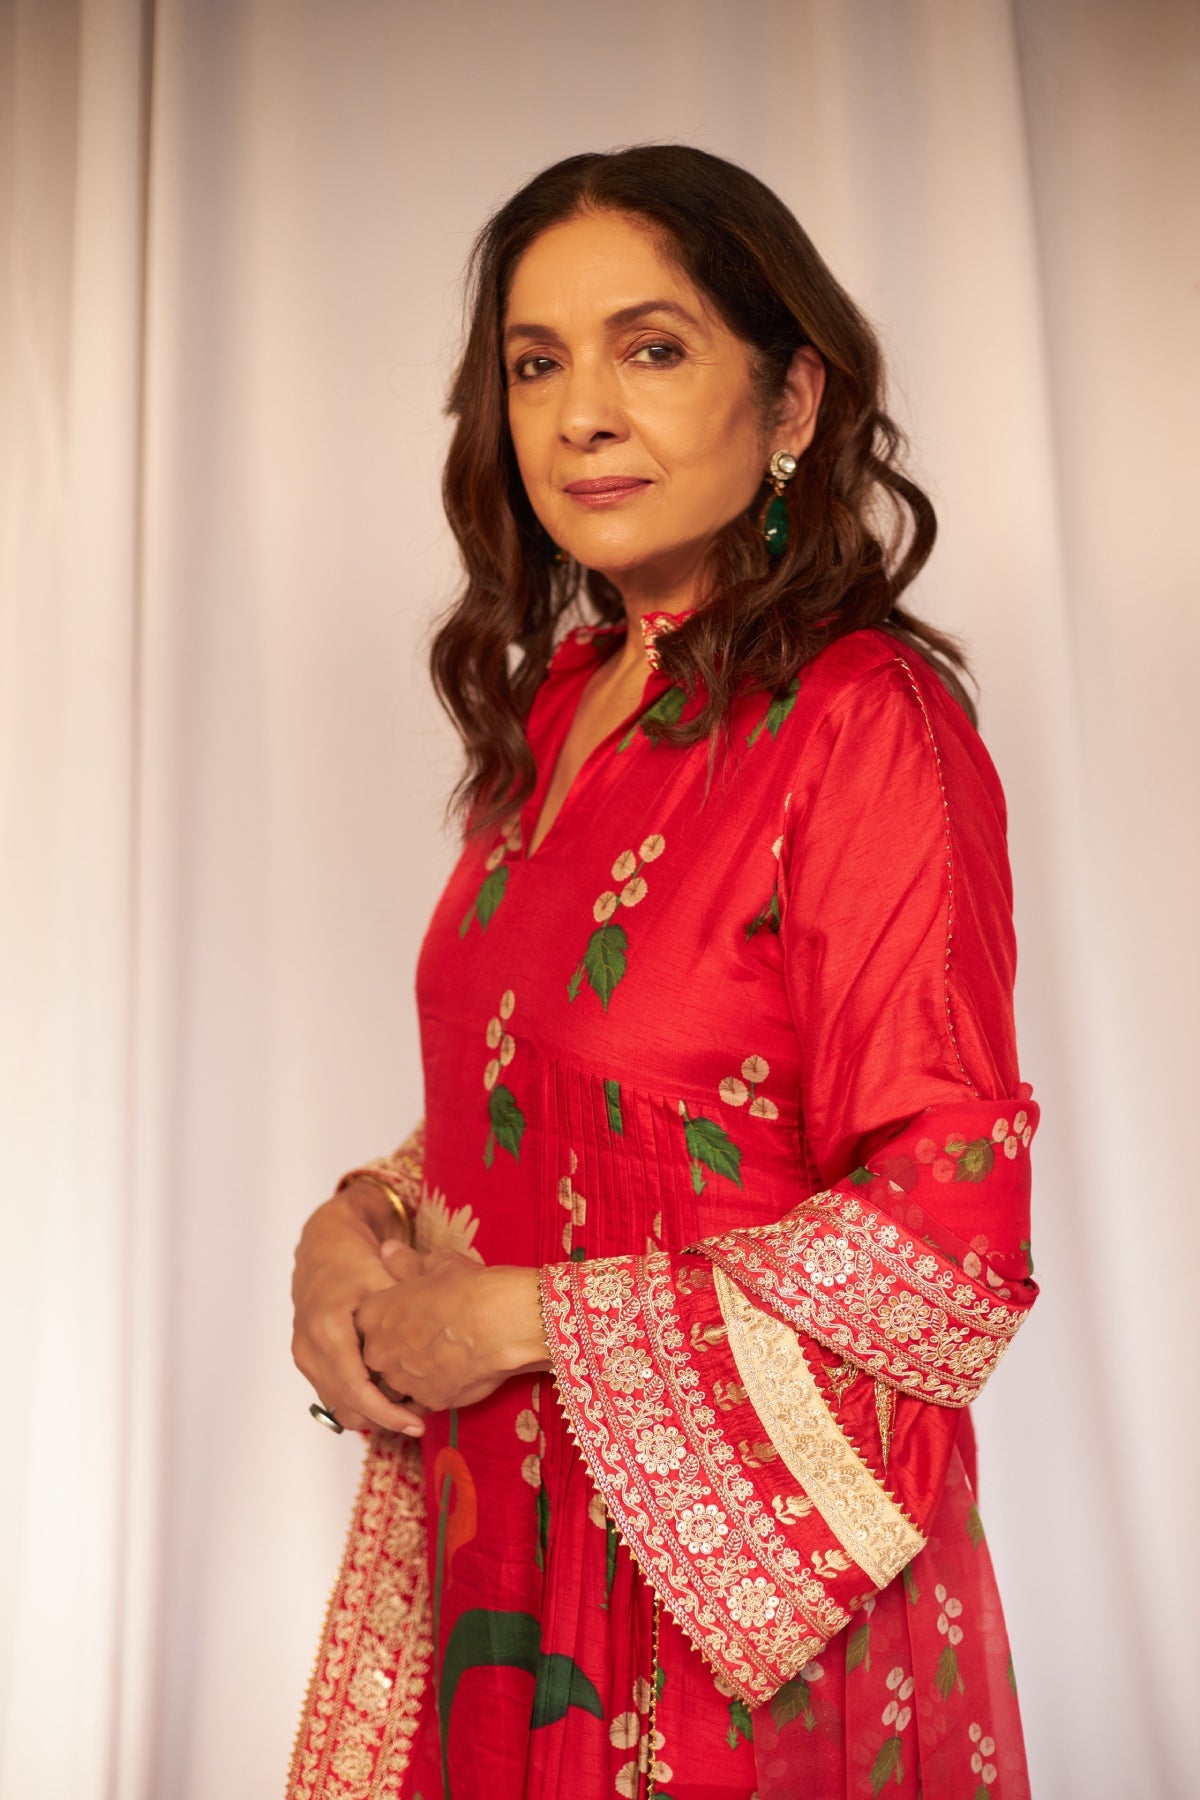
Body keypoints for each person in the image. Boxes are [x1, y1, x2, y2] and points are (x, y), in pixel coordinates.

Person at [287, 145, 1038, 1800]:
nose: (581, 416)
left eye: (653, 348)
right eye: (534, 364)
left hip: (723, 1605)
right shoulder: (561, 703)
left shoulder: (864, 728)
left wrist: (521, 1319)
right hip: (501, 1548)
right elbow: (565, 1093)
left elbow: (949, 1231)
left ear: (792, 401)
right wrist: (360, 1221)